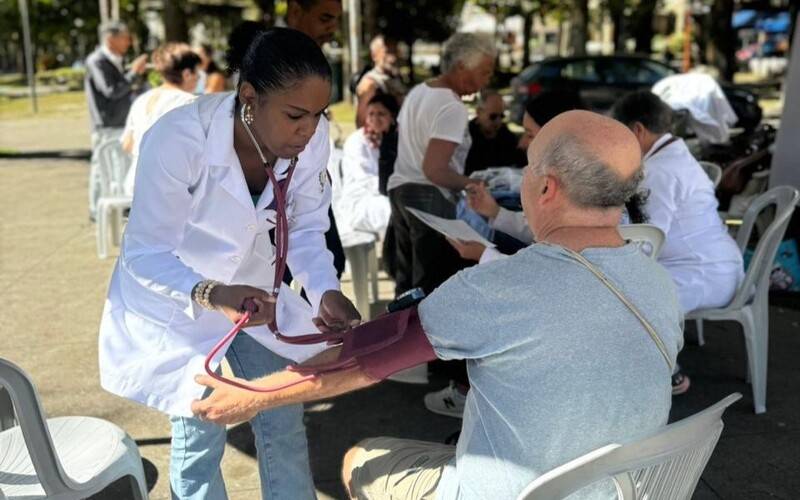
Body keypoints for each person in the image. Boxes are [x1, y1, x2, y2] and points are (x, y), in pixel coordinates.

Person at [191, 110, 685, 500]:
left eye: (528, 167)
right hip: (623, 488)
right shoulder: (659, 283)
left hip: (516, 492)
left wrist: (249, 396)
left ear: (546, 187)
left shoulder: (501, 288)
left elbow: (361, 362)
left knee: (362, 459)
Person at [98, 28, 360, 500]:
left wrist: (325, 290)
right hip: (176, 296)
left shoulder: (310, 142)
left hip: (253, 295)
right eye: (296, 115)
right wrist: (211, 293)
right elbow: (145, 253)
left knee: (282, 411)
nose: (309, 130)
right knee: (202, 428)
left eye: (319, 115)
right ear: (249, 97)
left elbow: (302, 229)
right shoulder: (179, 139)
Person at [610, 90, 745, 394]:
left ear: (637, 130)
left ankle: (667, 372)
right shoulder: (671, 157)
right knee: (622, 285)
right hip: (713, 263)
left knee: (623, 295)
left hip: (705, 273)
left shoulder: (659, 171)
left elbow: (647, 242)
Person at [387, 32, 495, 297]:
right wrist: (472, 183)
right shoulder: (452, 106)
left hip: (401, 191)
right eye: (485, 71)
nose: (487, 80)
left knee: (407, 287)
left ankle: (400, 337)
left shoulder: (419, 92)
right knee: (432, 288)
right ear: (461, 67)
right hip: (429, 198)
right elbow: (435, 170)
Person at [454, 89, 587, 265]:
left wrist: (485, 256)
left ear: (557, 138)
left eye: (530, 135)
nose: (522, 143)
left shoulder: (585, 195)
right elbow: (542, 231)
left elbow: (551, 271)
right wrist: (494, 212)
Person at [285, 0, 347, 280]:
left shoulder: (314, 57)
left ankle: (313, 321)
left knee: (329, 261)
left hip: (308, 179)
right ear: (296, 11)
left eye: (336, 19)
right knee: (275, 273)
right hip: (273, 186)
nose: (332, 27)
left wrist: (316, 171)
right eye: (324, 18)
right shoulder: (272, 56)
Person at [85, 21, 148, 219]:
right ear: (111, 38)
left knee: (119, 165)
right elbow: (111, 91)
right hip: (107, 123)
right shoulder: (97, 61)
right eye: (125, 37)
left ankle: (117, 206)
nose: (129, 42)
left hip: (119, 121)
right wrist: (133, 73)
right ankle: (96, 210)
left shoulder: (113, 59)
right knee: (101, 166)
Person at [120, 43, 201, 196]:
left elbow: (127, 144)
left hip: (135, 185)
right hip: (167, 189)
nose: (198, 78)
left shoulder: (142, 99)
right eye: (197, 72)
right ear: (187, 74)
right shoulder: (188, 102)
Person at [335, 93, 399, 239]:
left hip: (389, 195)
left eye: (381, 114)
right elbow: (365, 180)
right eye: (371, 113)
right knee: (396, 211)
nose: (375, 118)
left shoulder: (395, 140)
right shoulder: (357, 141)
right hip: (360, 201)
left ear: (392, 117)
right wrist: (397, 191)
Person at [463, 89, 526, 176]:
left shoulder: (505, 134)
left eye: (501, 116)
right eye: (493, 116)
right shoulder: (466, 137)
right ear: (479, 112)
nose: (498, 121)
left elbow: (520, 161)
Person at [355, 35, 406, 128]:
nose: (393, 58)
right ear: (374, 55)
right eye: (387, 52)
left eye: (395, 52)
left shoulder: (395, 77)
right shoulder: (370, 83)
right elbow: (361, 121)